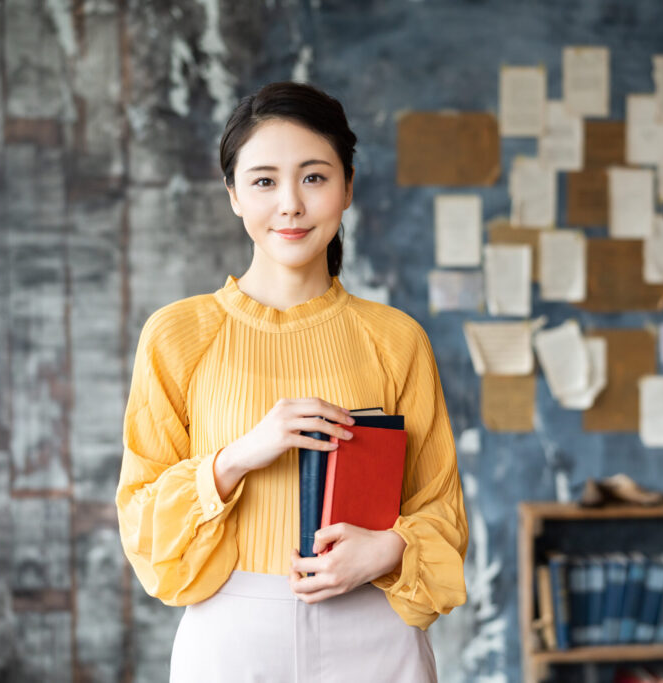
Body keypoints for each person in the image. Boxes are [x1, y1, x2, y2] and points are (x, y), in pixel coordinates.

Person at [116, 81, 469, 682]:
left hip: (374, 630)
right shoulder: (177, 334)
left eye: (313, 177)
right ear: (232, 194)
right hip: (230, 638)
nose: (290, 205)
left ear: (348, 186)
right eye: (263, 181)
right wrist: (240, 456)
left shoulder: (397, 338)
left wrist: (387, 551)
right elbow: (145, 526)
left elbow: (441, 509)